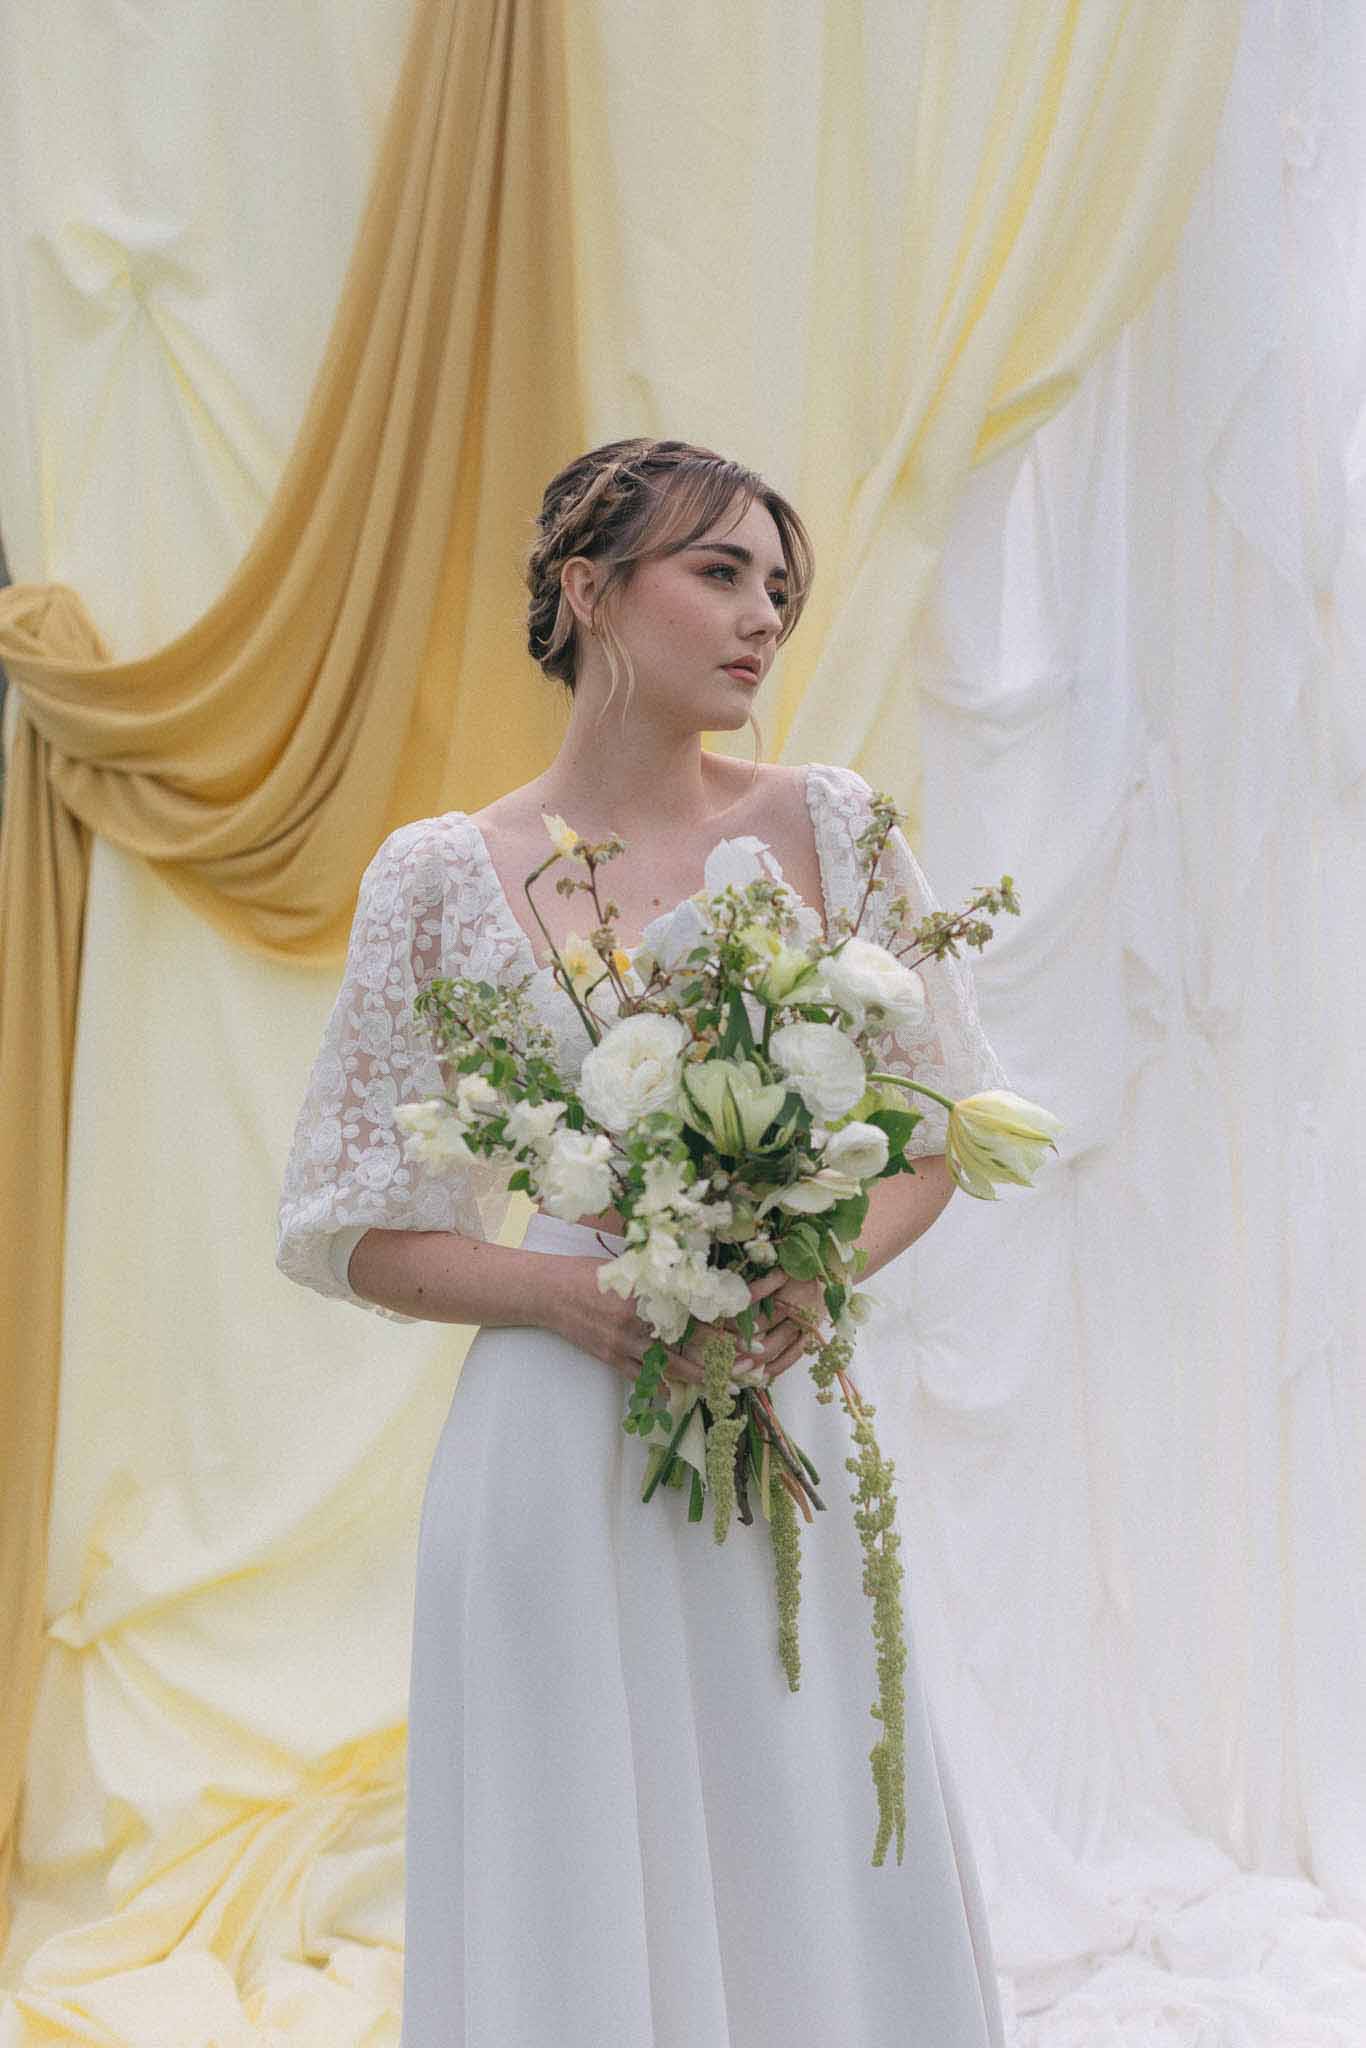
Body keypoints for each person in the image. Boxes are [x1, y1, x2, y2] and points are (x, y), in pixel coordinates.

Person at [276, 437, 1010, 2046]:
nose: (763, 619)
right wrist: (579, 1295)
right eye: (720, 574)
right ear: (589, 591)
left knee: (801, 1801)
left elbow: (938, 1124)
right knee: (574, 1848)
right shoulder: (440, 880)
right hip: (552, 1447)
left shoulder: (838, 827)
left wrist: (808, 1277)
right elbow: (349, 1231)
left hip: (773, 1407)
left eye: (779, 588)